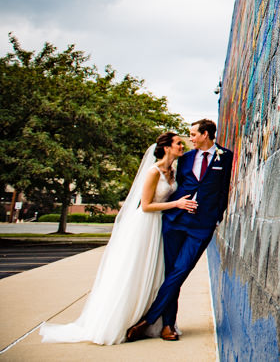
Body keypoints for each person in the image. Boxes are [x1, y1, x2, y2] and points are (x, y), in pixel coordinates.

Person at [39, 132, 197, 345]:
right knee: (134, 271)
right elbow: (147, 205)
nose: (182, 146)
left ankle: (154, 321)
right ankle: (120, 320)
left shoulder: (173, 171)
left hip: (162, 226)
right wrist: (175, 205)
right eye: (178, 143)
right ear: (166, 147)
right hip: (145, 225)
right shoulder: (153, 172)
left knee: (157, 274)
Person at [127, 119, 232, 342]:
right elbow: (178, 187)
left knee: (181, 270)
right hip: (175, 222)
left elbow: (224, 191)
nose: (190, 138)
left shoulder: (226, 156)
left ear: (205, 135)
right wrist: (176, 207)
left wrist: (216, 217)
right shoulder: (184, 160)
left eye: (193, 134)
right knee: (170, 272)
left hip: (202, 227)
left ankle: (148, 319)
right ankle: (167, 325)